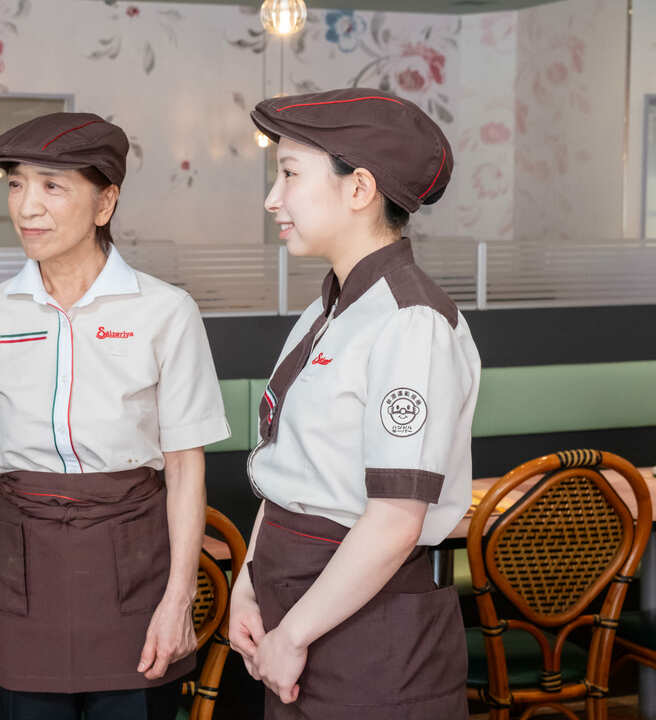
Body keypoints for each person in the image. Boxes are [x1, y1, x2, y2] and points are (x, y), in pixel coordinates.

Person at [0, 112, 230, 720]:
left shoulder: (165, 311)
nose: (27, 207)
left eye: (52, 186)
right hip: (17, 569)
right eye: (16, 185)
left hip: (133, 568)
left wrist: (178, 599)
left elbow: (185, 469)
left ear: (105, 203)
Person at [226, 88, 478, 719]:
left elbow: (395, 519)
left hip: (373, 638)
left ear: (359, 188)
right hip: (295, 613)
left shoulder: (410, 321)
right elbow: (289, 470)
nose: (273, 199)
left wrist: (292, 635)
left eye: (289, 175)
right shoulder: (328, 312)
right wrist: (248, 585)